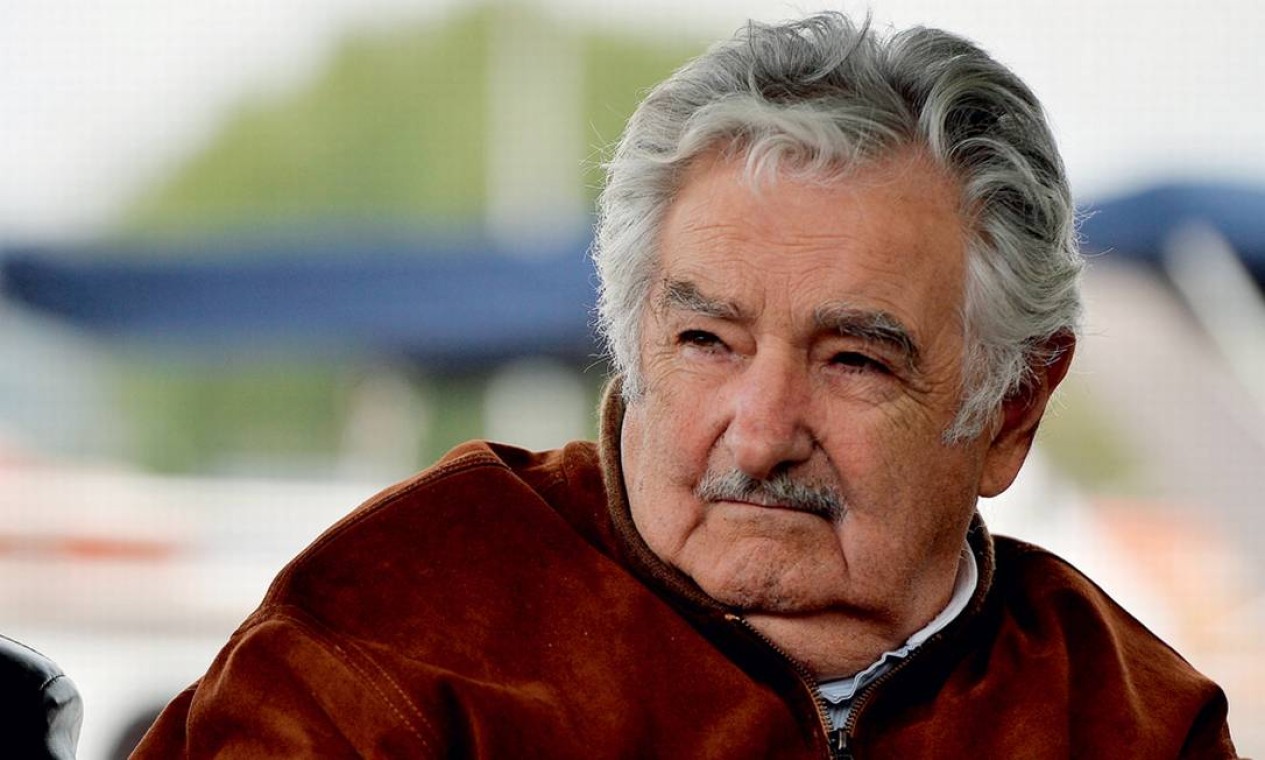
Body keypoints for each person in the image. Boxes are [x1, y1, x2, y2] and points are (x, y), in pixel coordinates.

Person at [134, 12, 1237, 758]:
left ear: (1011, 410)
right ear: (632, 343)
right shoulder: (397, 631)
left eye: (853, 359)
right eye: (707, 340)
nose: (758, 436)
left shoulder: (1130, 721)